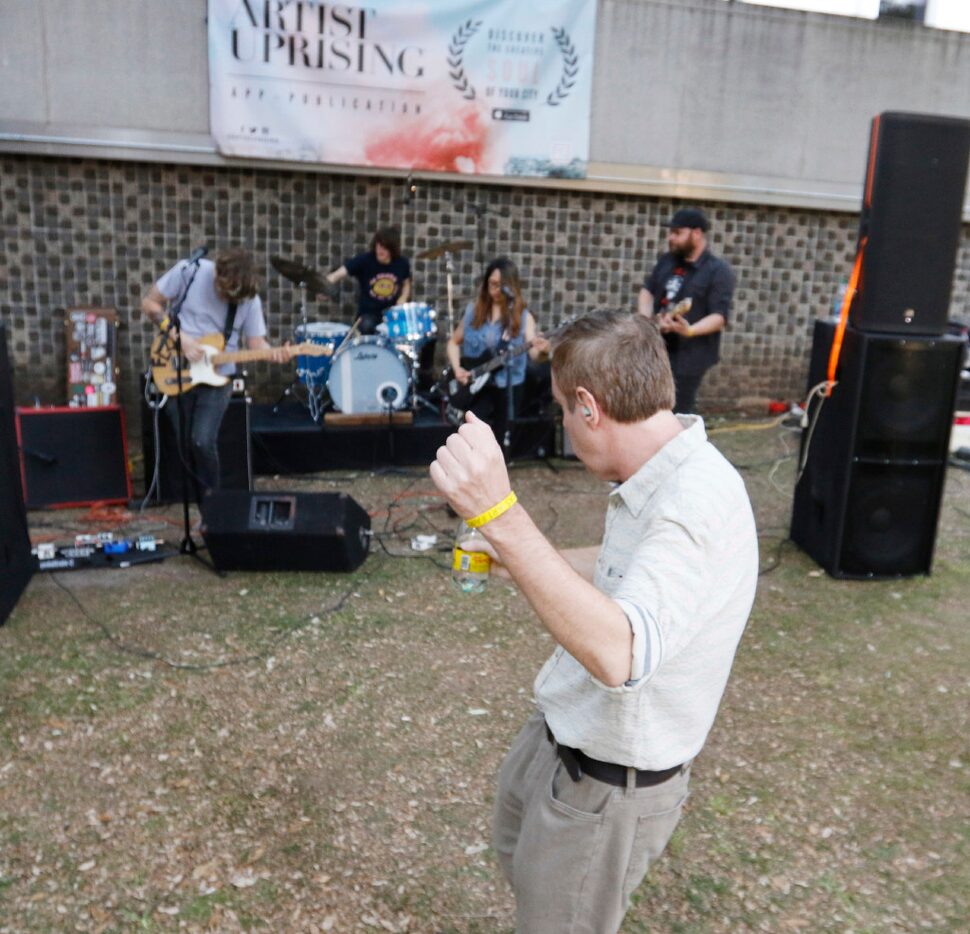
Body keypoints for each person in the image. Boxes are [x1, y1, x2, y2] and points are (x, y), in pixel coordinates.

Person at [430, 310, 758, 933]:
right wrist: (519, 559)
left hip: (606, 785)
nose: (561, 422)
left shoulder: (694, 503)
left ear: (588, 406)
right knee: (527, 877)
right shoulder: (658, 470)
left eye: (559, 409)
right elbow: (621, 576)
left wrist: (501, 516)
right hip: (563, 741)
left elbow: (620, 654)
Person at [142, 247, 287, 498]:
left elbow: (256, 344)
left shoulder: (249, 299)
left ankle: (213, 507)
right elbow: (149, 302)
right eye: (223, 291)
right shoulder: (189, 272)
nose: (226, 299)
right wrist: (180, 339)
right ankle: (195, 501)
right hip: (176, 366)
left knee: (202, 441)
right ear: (217, 274)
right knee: (186, 443)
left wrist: (274, 353)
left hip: (218, 378)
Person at [638, 207, 736, 413]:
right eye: (671, 232)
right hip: (657, 348)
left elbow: (719, 317)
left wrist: (690, 330)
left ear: (697, 233)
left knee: (675, 412)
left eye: (677, 233)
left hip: (690, 356)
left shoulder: (718, 271)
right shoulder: (667, 261)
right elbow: (647, 292)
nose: (671, 238)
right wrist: (646, 321)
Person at [445, 258, 550, 445]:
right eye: (492, 284)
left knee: (500, 439)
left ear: (511, 286)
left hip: (508, 387)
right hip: (477, 385)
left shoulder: (523, 317)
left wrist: (543, 351)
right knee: (472, 436)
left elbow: (534, 353)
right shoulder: (473, 311)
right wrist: (457, 368)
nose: (496, 289)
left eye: (501, 285)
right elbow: (453, 342)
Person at [325, 226, 411, 335]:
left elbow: (406, 283)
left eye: (384, 247)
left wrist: (403, 298)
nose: (379, 250)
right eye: (378, 245)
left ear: (392, 249)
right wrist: (323, 287)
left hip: (392, 315)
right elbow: (337, 274)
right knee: (367, 326)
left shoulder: (402, 263)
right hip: (368, 315)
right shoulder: (365, 260)